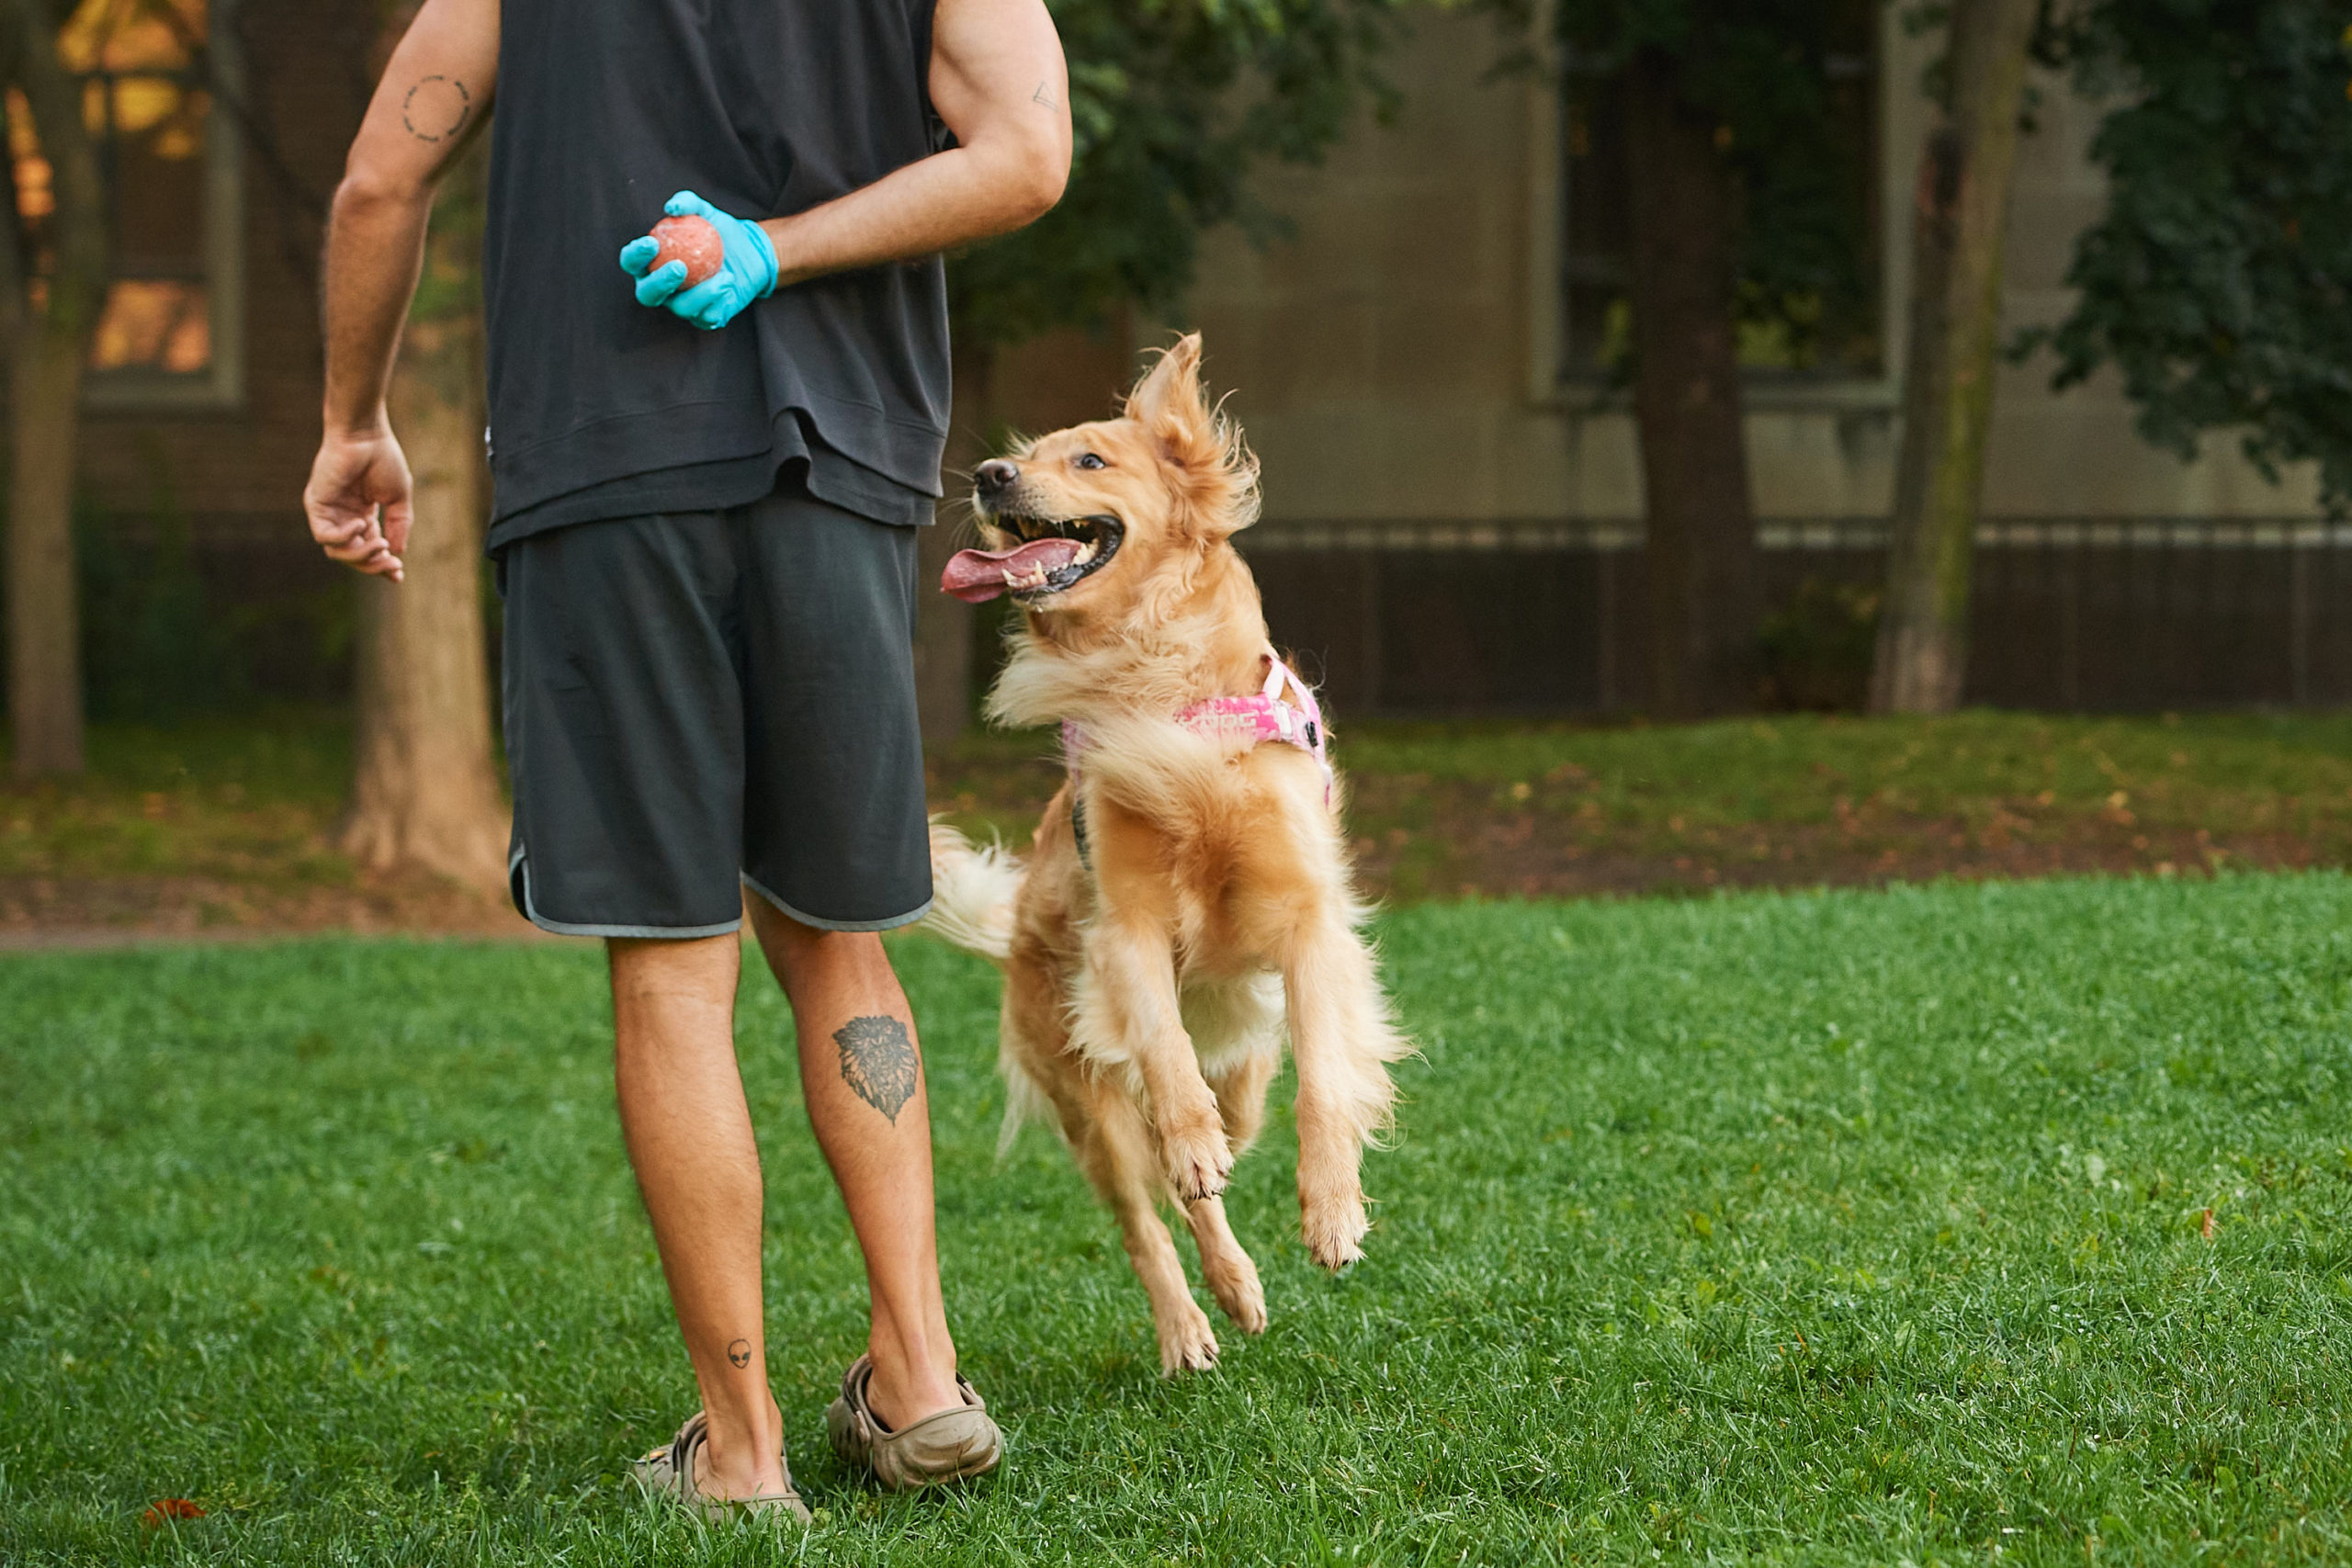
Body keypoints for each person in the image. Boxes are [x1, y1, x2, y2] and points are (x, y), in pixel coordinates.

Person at [300, 0, 1072, 1520]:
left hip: (603, 469)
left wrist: (352, 423)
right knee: (841, 936)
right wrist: (779, 252)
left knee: (671, 963)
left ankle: (743, 1451)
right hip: (836, 464)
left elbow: (378, 184)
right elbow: (1027, 155)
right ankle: (918, 1380)